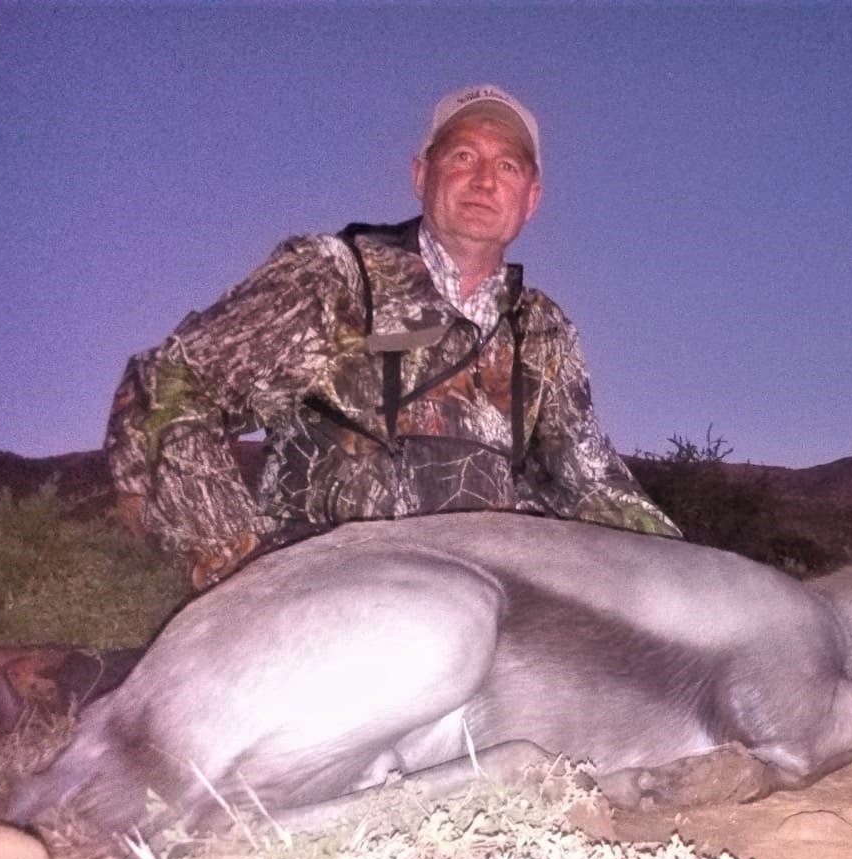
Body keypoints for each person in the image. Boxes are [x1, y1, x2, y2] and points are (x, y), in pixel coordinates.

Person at [105, 84, 679, 589]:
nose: (485, 180)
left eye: (508, 167)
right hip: (319, 611)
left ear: (531, 198)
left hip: (488, 624)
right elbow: (168, 384)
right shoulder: (334, 279)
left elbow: (594, 490)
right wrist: (239, 567)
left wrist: (711, 583)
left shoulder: (541, 333)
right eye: (463, 155)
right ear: (421, 174)